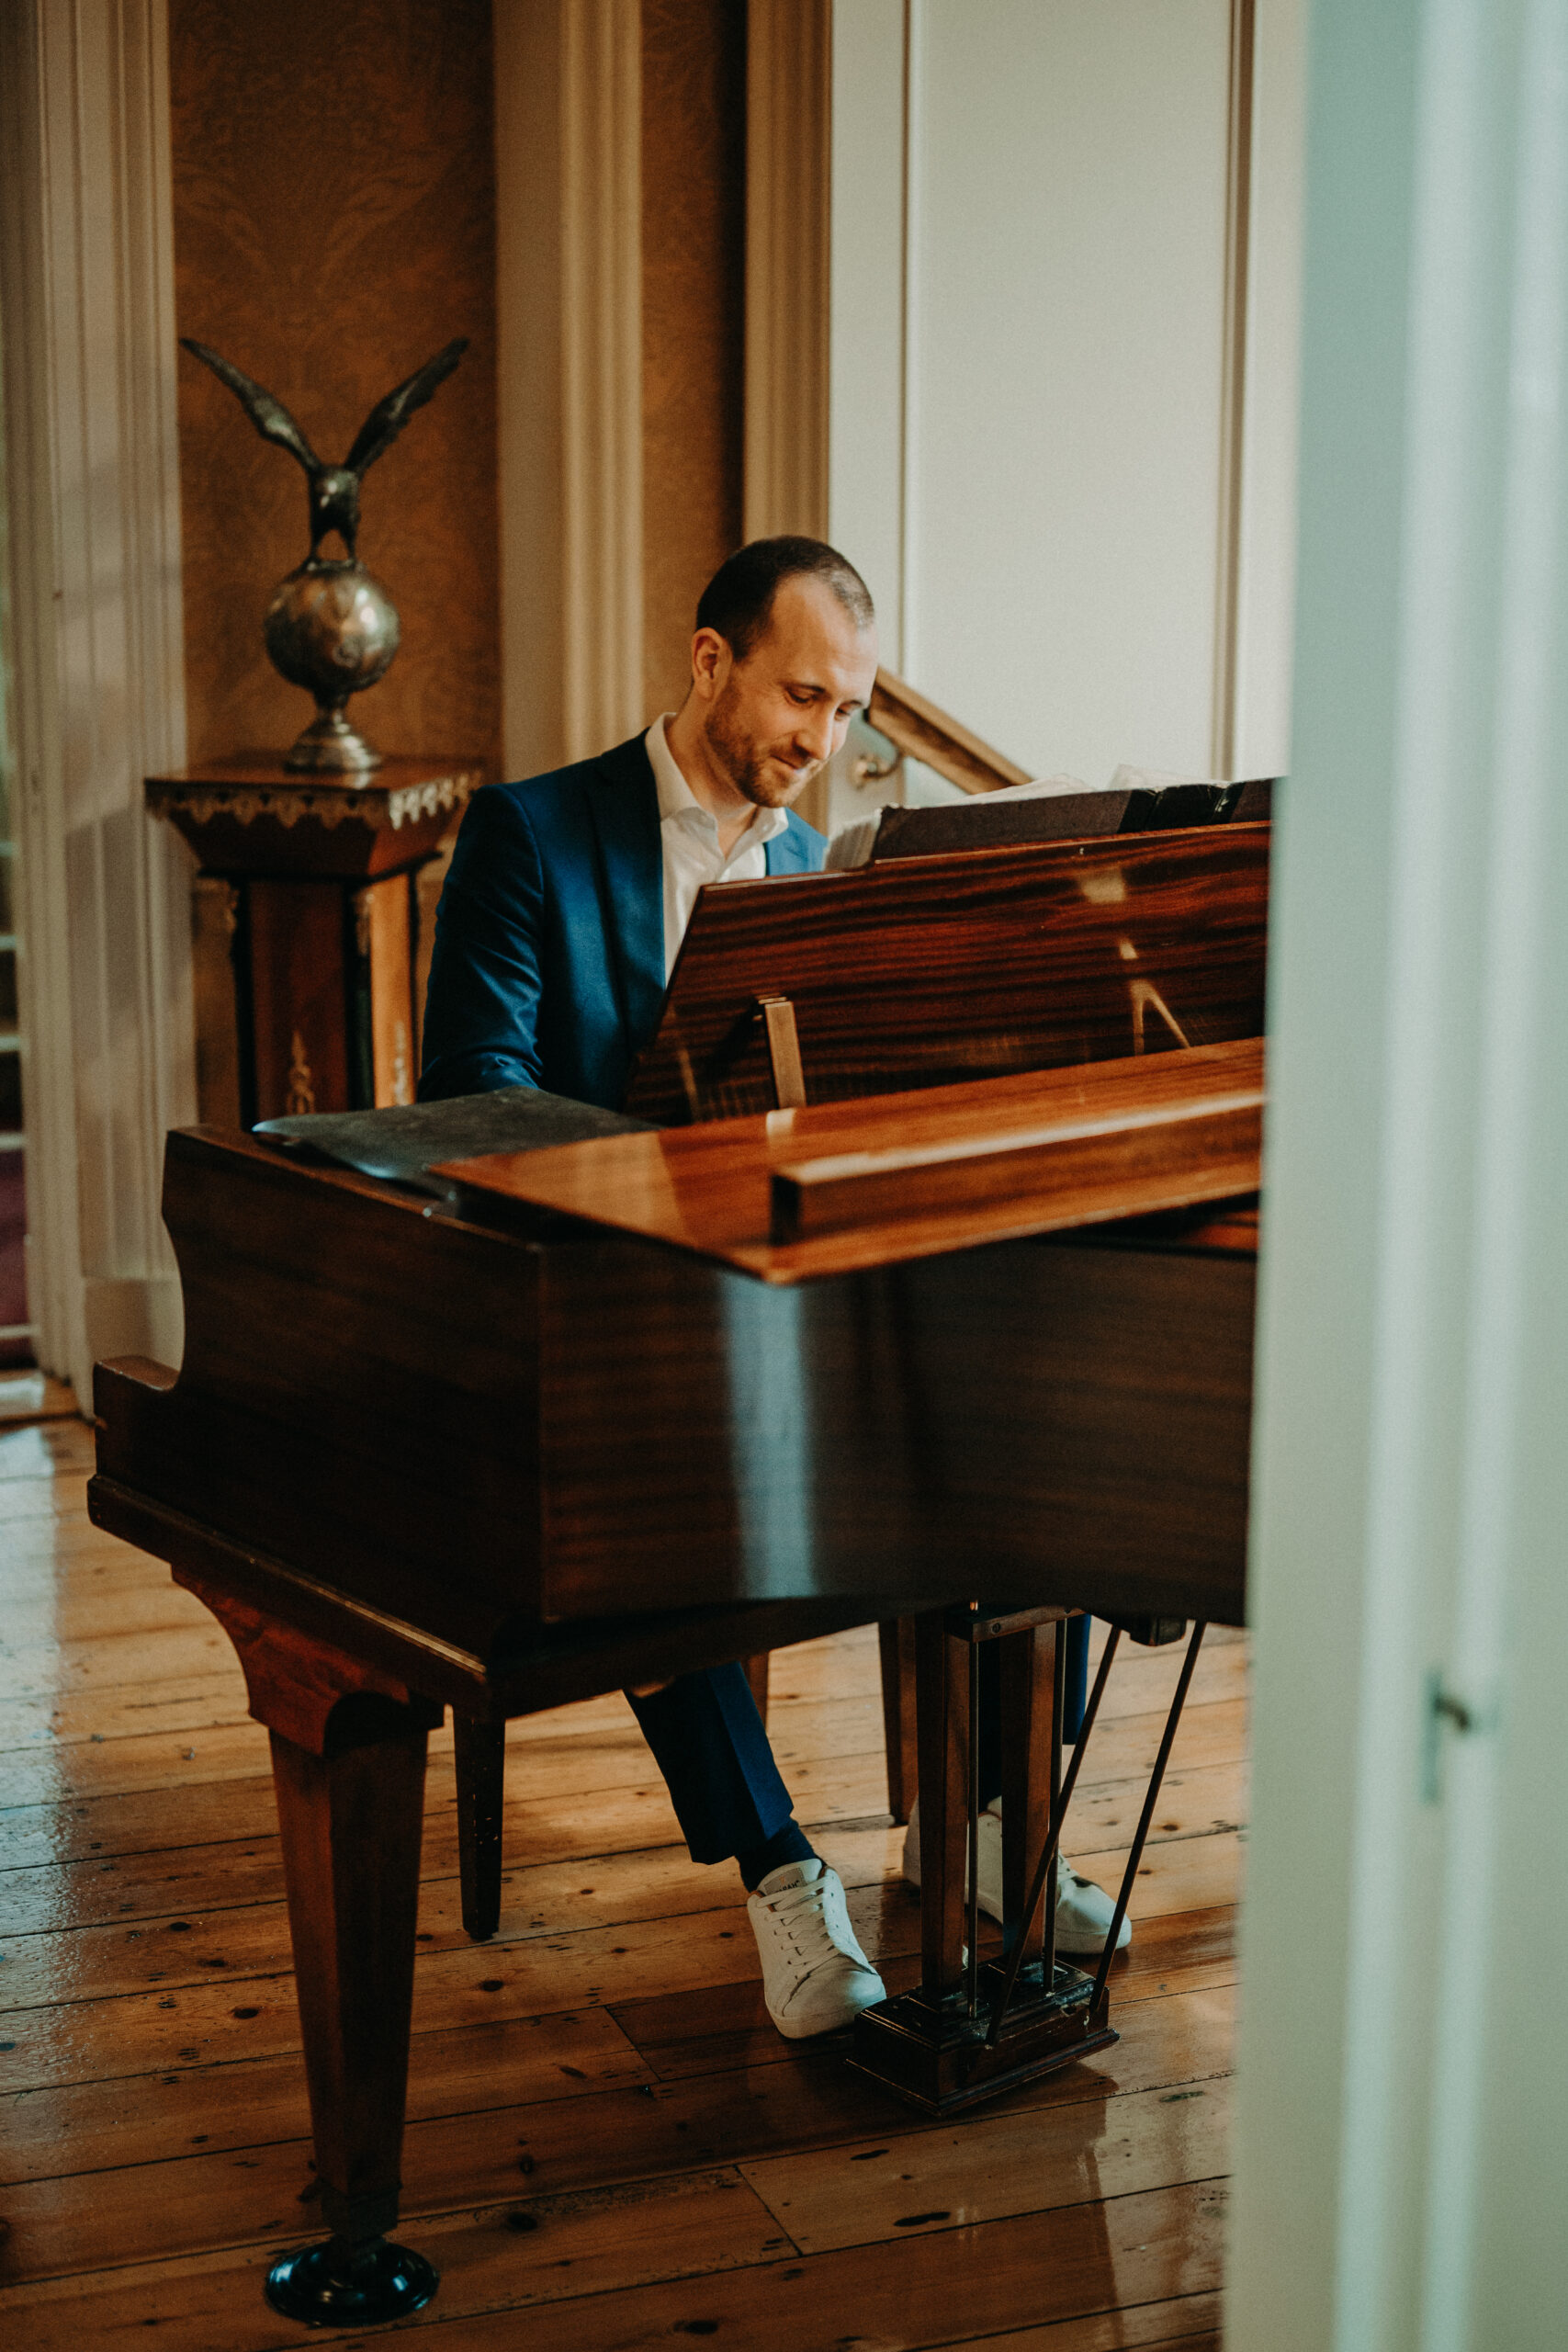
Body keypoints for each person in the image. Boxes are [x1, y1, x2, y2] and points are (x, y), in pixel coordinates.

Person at [419, 536, 1124, 2041]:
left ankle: (1002, 1832)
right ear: (710, 661)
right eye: (804, 695)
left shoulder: (811, 869)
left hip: (789, 1298)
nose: (825, 739)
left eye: (852, 710)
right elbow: (474, 1096)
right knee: (658, 1508)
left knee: (1036, 1444)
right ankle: (778, 1872)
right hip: (607, 1311)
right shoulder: (532, 836)